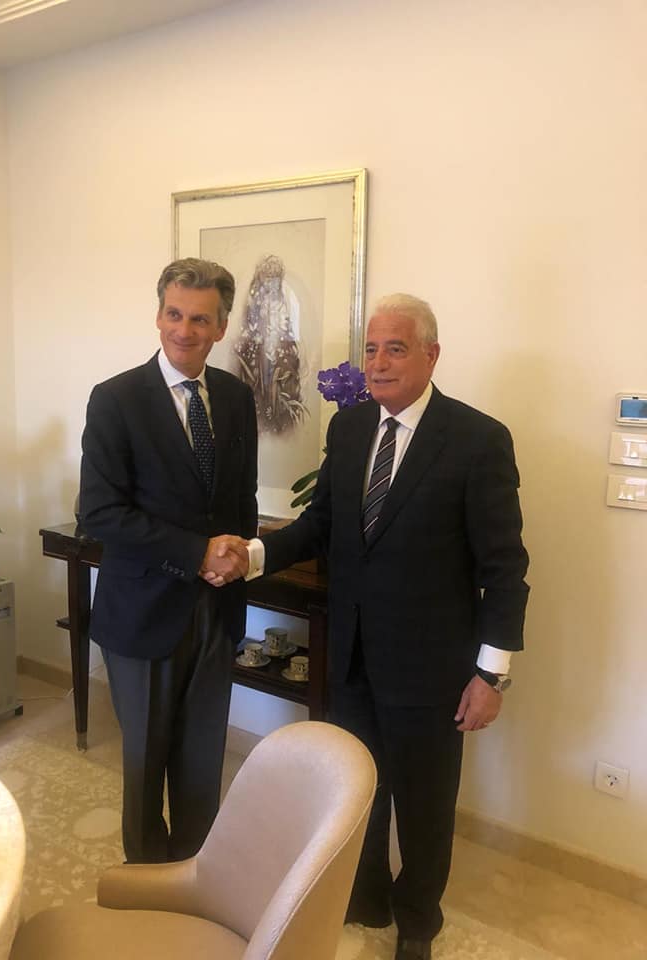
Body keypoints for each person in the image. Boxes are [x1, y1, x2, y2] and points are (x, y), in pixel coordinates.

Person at [207, 293, 529, 960]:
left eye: (396, 349)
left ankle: (418, 922)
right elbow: (320, 524)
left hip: (432, 670)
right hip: (351, 656)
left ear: (431, 356)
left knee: (425, 804)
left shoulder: (478, 441)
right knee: (358, 789)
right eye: (372, 349)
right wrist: (254, 554)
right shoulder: (350, 429)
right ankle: (368, 895)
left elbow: (505, 569)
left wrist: (490, 674)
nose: (378, 363)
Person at [78, 257, 256, 864]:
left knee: (202, 759)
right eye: (175, 314)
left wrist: (236, 556)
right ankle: (147, 880)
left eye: (200, 319)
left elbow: (241, 499)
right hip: (142, 611)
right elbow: (99, 514)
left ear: (221, 327)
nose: (185, 330)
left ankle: (194, 873)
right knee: (145, 761)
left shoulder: (235, 397)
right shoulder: (116, 399)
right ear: (158, 316)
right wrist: (195, 552)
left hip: (216, 608)